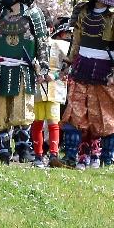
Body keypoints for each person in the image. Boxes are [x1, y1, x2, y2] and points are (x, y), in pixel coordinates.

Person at [59, 0, 114, 168]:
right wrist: (68, 62)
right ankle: (71, 157)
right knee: (74, 112)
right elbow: (76, 40)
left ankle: (107, 160)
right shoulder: (81, 11)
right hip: (81, 66)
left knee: (107, 116)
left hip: (105, 71)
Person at [0, 0, 49, 166]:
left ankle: (24, 149)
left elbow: (42, 41)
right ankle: (3, 153)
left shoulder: (33, 14)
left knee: (22, 112)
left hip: (22, 69)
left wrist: (42, 66)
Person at [32, 16, 70, 167]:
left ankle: (54, 154)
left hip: (55, 87)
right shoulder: (32, 43)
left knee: (54, 122)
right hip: (37, 87)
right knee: (37, 123)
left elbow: (70, 64)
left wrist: (54, 75)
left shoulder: (61, 45)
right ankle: (38, 156)